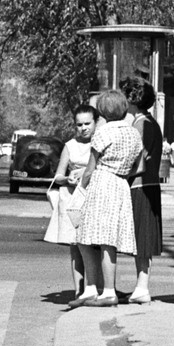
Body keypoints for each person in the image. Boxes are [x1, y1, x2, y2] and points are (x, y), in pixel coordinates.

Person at [73, 89, 143, 308]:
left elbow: (90, 169)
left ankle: (97, 288)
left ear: (102, 111)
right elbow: (139, 166)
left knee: (85, 236)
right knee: (109, 240)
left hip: (102, 183)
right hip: (121, 184)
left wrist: (81, 188)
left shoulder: (102, 133)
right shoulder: (133, 134)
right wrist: (122, 174)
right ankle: (104, 289)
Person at [44, 104, 96, 297]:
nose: (83, 128)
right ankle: (78, 290)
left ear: (95, 122)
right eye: (79, 124)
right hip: (73, 198)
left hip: (93, 196)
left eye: (87, 123)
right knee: (75, 247)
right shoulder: (70, 145)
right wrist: (67, 179)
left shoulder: (99, 142)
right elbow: (57, 176)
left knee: (95, 244)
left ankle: (97, 287)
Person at [122, 75, 164, 305]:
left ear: (132, 98)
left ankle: (142, 286)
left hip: (141, 185)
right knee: (142, 238)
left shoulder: (141, 124)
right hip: (147, 184)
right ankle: (141, 285)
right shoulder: (148, 122)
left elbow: (136, 158)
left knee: (142, 238)